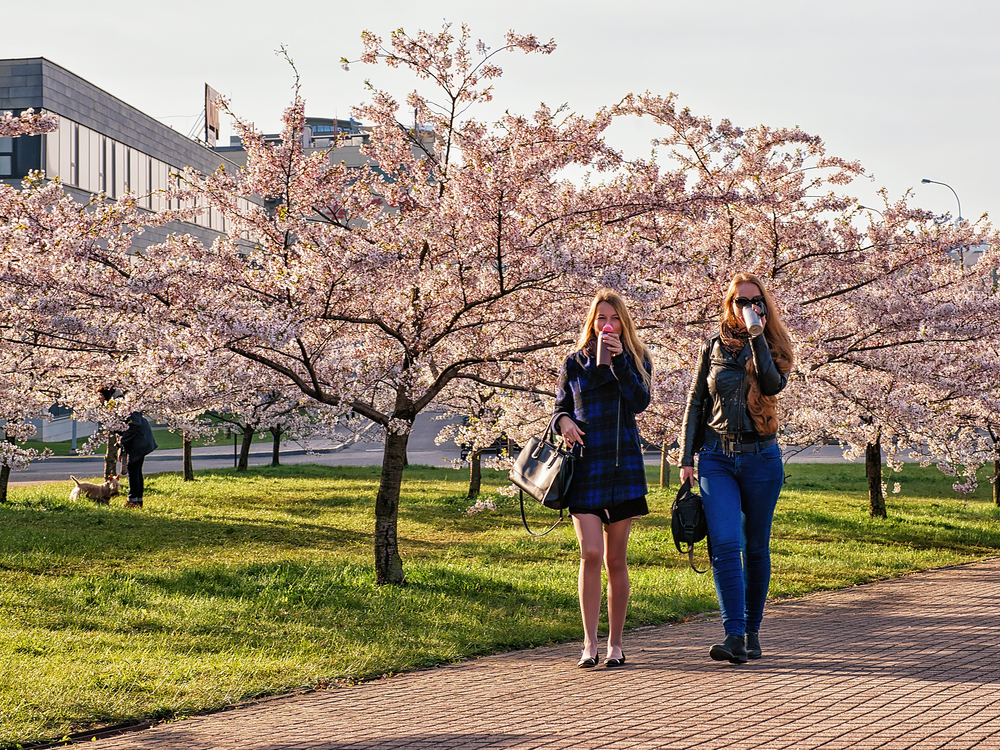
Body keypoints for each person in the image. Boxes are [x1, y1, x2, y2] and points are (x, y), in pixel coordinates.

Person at [679, 272, 794, 663]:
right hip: (716, 457)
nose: (748, 307)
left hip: (761, 458)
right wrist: (685, 457)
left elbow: (772, 384)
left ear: (764, 305)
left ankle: (753, 629)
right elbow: (696, 401)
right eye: (741, 301)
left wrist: (757, 333)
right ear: (729, 304)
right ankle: (734, 635)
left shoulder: (775, 344)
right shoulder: (712, 347)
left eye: (755, 301)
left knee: (756, 547)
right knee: (726, 544)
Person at [553, 289, 653, 668]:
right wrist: (562, 421)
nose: (606, 324)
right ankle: (589, 643)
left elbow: (640, 402)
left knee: (616, 559)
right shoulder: (574, 363)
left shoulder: (637, 359)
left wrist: (619, 362)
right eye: (600, 319)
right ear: (592, 323)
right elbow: (560, 405)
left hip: (622, 467)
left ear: (622, 323)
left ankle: (615, 644)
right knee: (590, 553)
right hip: (585, 467)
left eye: (612, 318)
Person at [119, 410, 157, 508]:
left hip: (139, 442)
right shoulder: (125, 405)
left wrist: (122, 441)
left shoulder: (128, 406)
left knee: (133, 470)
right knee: (135, 471)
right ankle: (137, 500)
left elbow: (134, 425)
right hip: (139, 441)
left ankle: (133, 501)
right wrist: (122, 451)